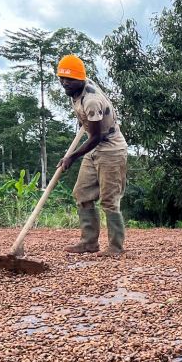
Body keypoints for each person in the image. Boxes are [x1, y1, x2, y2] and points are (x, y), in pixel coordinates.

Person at [55, 55, 129, 258]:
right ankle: (89, 242)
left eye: (69, 79)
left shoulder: (92, 101)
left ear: (80, 79)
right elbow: (90, 129)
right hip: (94, 148)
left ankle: (116, 247)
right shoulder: (76, 91)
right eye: (61, 78)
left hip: (111, 150)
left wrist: (72, 156)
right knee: (82, 194)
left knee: (109, 200)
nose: (64, 83)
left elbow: (96, 137)